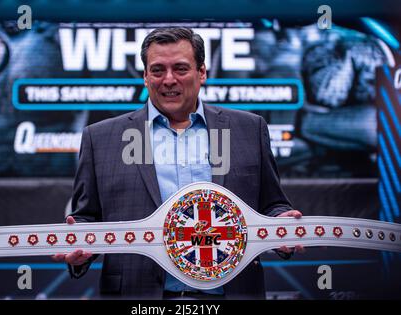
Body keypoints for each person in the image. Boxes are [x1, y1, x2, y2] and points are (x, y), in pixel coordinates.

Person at [53, 27, 303, 299]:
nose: (169, 80)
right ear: (146, 76)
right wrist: (78, 248)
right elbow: (87, 218)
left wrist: (282, 223)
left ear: (202, 72)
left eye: (181, 69)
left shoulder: (248, 129)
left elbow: (272, 203)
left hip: (232, 293)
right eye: (158, 70)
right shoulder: (101, 138)